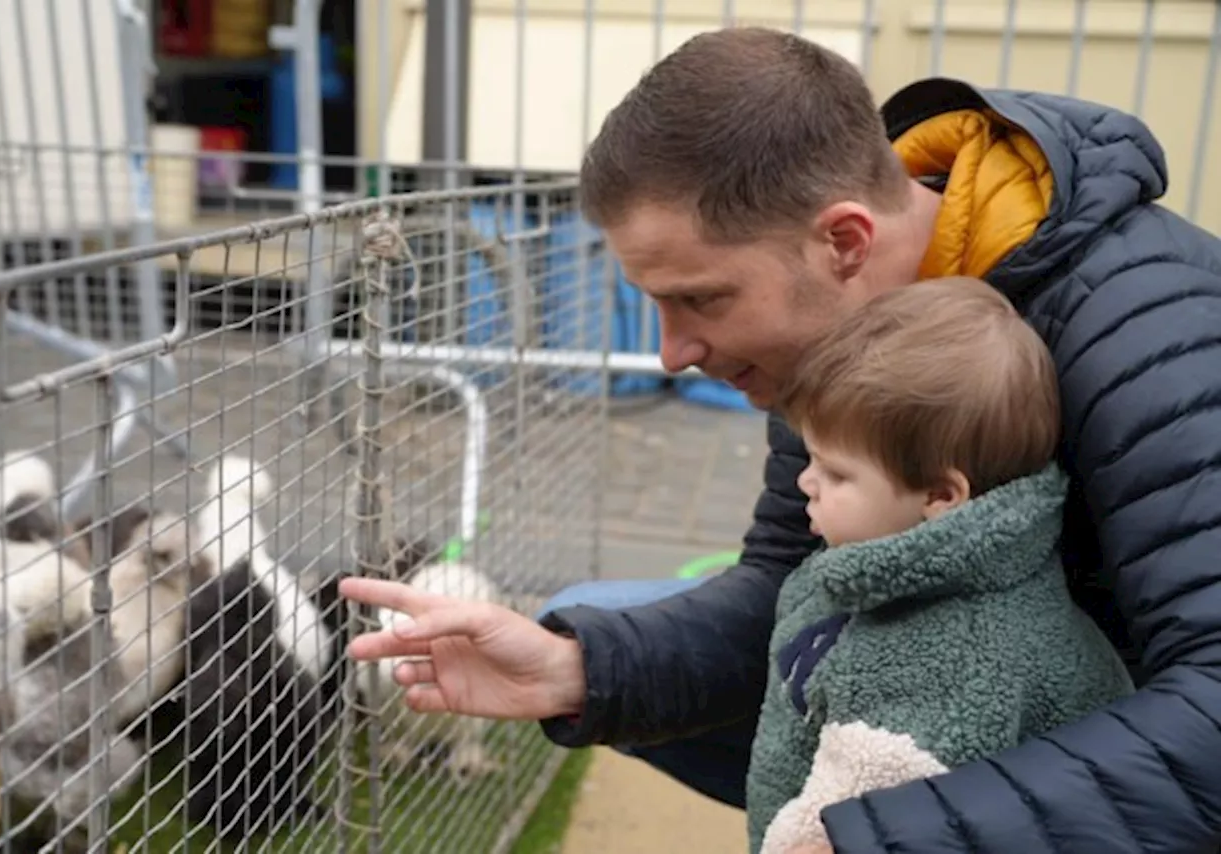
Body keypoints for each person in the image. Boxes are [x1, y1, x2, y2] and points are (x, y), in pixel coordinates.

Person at [340, 25, 1221, 853]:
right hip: (967, 692)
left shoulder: (1156, 331)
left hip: (1126, 718)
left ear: (844, 239)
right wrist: (578, 670)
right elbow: (787, 583)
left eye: (702, 298)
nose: (673, 353)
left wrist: (889, 833)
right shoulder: (847, 331)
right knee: (600, 608)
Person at [743, 275, 1134, 854]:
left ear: (940, 496)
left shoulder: (950, 654)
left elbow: (838, 830)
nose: (806, 482)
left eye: (837, 472)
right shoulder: (900, 578)